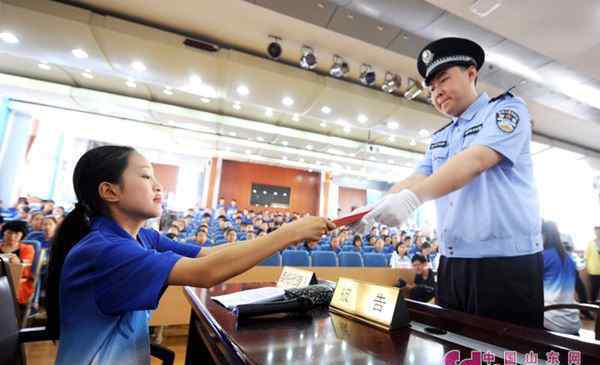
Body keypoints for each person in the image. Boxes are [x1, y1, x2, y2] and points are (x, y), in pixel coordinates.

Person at [45, 146, 334, 365]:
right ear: (109, 191)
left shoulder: (141, 237)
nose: (159, 186)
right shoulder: (107, 251)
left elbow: (208, 254)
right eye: (146, 176)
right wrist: (289, 233)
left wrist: (283, 234)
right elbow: (205, 272)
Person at [360, 37, 543, 328]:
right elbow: (417, 177)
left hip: (504, 263)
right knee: (455, 349)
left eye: (443, 79)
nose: (437, 92)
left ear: (471, 73)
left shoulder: (506, 111)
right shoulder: (440, 136)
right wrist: (369, 211)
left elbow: (475, 161)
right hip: (453, 262)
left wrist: (412, 200)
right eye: (431, 88)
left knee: (503, 353)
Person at [542, 220, 581, 335]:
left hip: (551, 322)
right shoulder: (569, 258)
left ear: (543, 235)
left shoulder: (543, 257)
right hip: (573, 322)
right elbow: (581, 288)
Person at [0, 220, 35, 306]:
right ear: (4, 233)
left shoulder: (27, 249)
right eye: (9, 233)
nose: (12, 236)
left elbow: (27, 265)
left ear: (22, 235)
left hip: (18, 282)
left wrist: (19, 262)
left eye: (17, 234)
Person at [585, 226, 600, 303]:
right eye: (596, 231)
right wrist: (587, 268)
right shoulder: (590, 243)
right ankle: (592, 306)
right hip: (593, 271)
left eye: (599, 230)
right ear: (594, 232)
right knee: (594, 289)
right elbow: (586, 257)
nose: (598, 232)